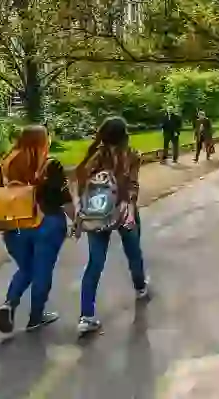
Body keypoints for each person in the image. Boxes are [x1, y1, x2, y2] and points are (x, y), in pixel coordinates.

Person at [0, 125, 74, 334]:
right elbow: (64, 199)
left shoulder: (4, 164)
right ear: (43, 141)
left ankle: (9, 303)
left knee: (26, 268)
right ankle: (35, 317)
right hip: (46, 223)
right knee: (42, 270)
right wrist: (78, 220)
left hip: (13, 226)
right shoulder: (49, 165)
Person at [74, 117, 149, 335]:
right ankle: (140, 287)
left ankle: (86, 316)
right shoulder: (132, 155)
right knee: (133, 252)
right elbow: (133, 184)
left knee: (94, 263)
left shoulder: (93, 156)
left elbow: (81, 184)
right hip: (124, 210)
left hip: (97, 211)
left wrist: (84, 209)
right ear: (124, 134)